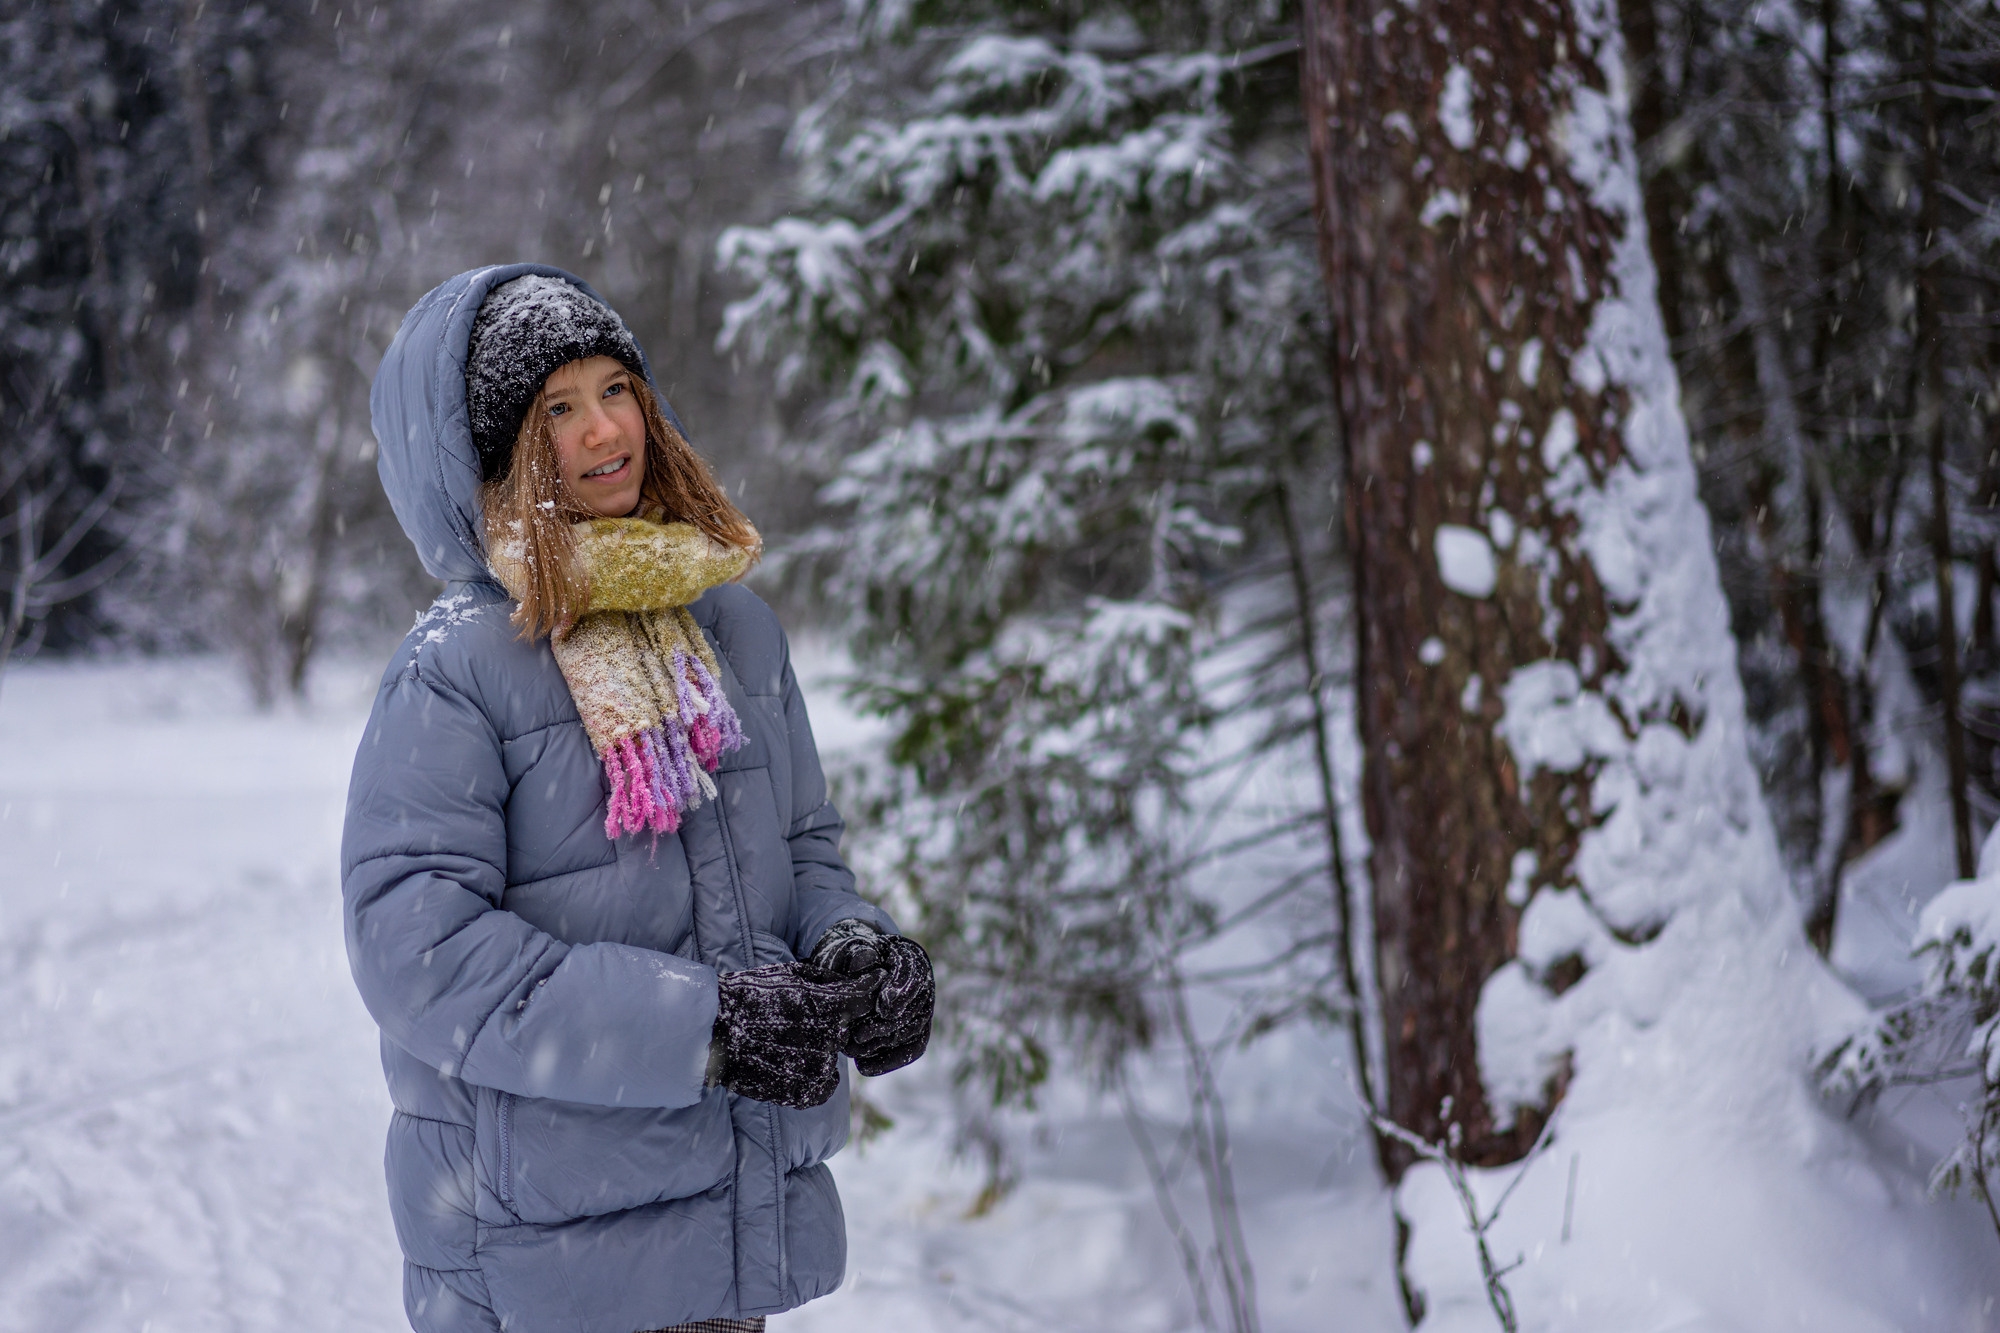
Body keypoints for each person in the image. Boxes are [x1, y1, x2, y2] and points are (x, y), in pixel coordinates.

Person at [342, 264, 933, 1333]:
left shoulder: (731, 627)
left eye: (616, 388)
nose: (604, 428)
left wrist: (852, 948)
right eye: (556, 410)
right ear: (493, 455)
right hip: (549, 1261)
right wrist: (703, 1029)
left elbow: (801, 848)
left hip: (725, 1244)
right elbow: (418, 952)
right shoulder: (458, 667)